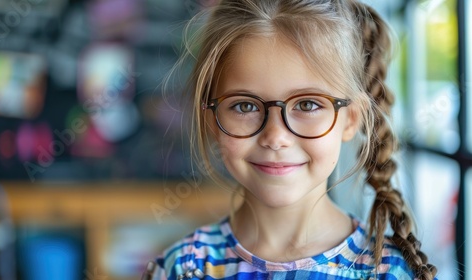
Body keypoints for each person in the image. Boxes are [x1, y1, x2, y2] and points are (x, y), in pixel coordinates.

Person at [143, 0, 438, 279]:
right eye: (245, 106)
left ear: (351, 118)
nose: (275, 137)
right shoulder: (180, 267)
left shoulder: (388, 271)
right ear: (212, 120)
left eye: (308, 104)